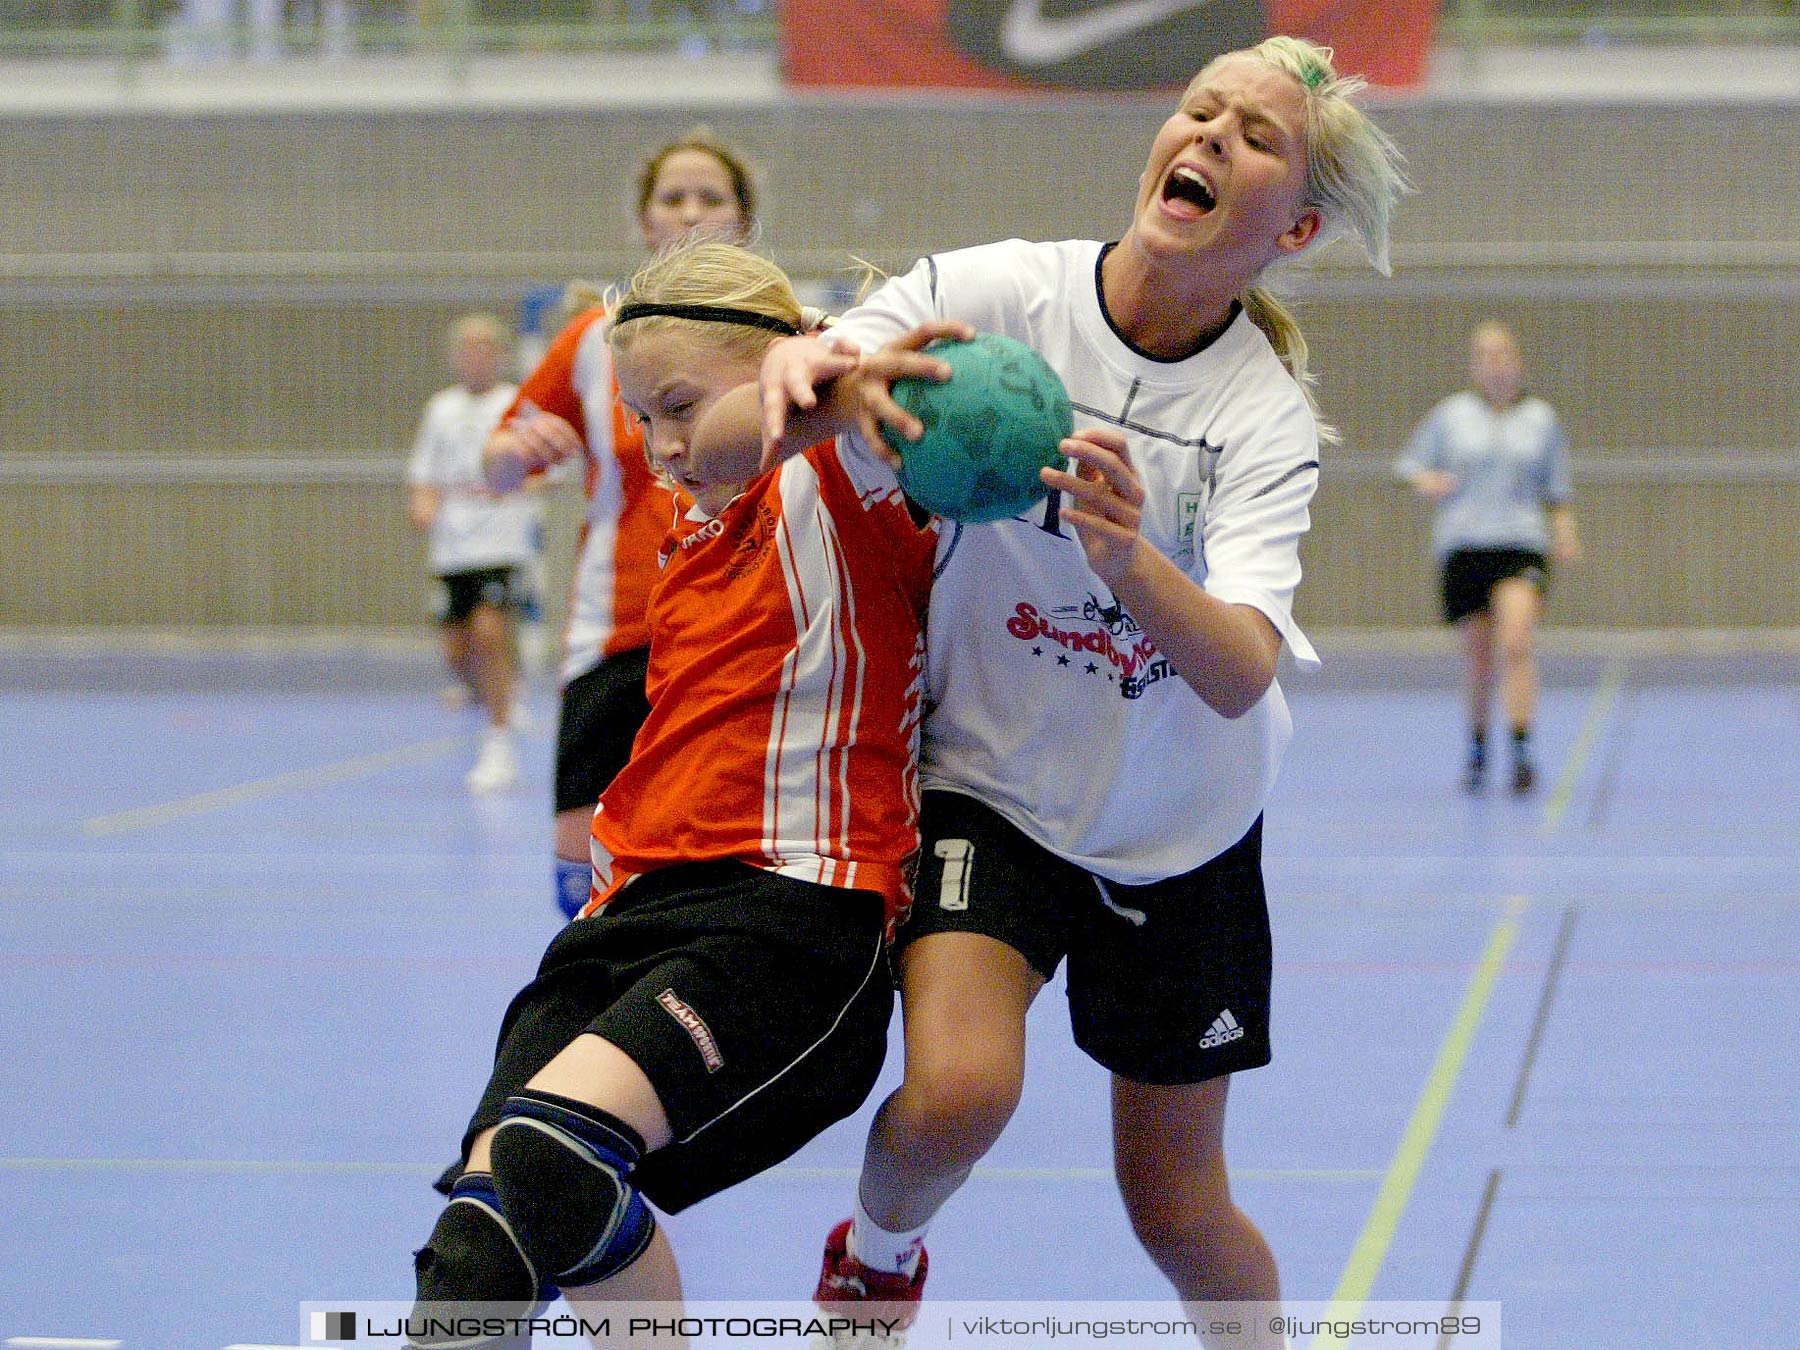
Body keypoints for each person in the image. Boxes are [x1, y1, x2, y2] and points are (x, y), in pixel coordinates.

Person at [755, 35, 1408, 1347]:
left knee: (1174, 1206)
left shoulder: (1258, 415)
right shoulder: (1006, 294)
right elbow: (833, 362)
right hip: (992, 779)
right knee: (955, 1095)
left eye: (1255, 136)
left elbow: (1241, 670)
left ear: (1295, 227)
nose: (1211, 135)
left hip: (1187, 826)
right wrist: (810, 367)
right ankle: (880, 1257)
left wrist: (1130, 556)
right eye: (1198, 109)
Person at [406, 239, 957, 1349]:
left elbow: (891, 401)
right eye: (639, 420)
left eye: (681, 407)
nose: (663, 447)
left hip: (788, 918)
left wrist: (839, 377)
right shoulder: (693, 531)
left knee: (558, 1153)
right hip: (630, 920)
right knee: (474, 1258)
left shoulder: (841, 472)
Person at [482, 127, 761, 924]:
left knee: (719, 865)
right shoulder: (592, 343)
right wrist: (513, 450)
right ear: (644, 223)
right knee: (584, 867)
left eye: (712, 198)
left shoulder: (785, 338)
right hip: (619, 630)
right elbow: (500, 460)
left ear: (742, 220)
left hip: (744, 630)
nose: (691, 212)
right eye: (673, 198)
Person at [1395, 320, 1581, 794]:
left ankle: (1521, 747)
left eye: (1503, 354)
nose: (1495, 363)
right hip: (1465, 544)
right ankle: (1478, 748)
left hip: (1520, 542)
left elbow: (1556, 487)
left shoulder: (1541, 418)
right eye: (1486, 355)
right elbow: (1409, 466)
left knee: (1516, 643)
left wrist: (1564, 533)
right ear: (1476, 365)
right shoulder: (1451, 415)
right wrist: (1428, 481)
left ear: (1517, 361)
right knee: (1479, 659)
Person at [405, 313, 537, 795]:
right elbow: (426, 471)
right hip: (452, 548)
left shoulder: (517, 405)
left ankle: (498, 744)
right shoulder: (442, 409)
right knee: (457, 649)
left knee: (490, 634)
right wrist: (423, 501)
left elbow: (544, 466)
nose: (476, 359)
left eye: (486, 349)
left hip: (500, 543)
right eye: (468, 350)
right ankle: (499, 697)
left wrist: (516, 482)